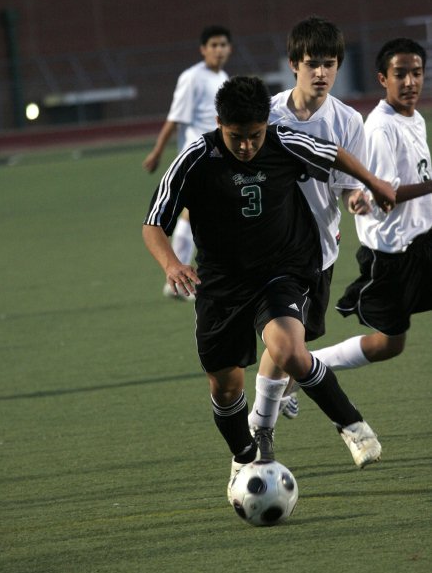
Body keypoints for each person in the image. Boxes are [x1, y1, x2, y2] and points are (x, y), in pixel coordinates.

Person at [142, 76, 396, 506]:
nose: (246, 146)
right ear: (220, 123)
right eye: (236, 137)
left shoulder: (283, 141)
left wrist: (374, 183)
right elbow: (153, 223)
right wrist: (172, 264)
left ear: (266, 125)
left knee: (290, 351)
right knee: (225, 387)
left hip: (282, 271)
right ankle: (244, 456)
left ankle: (352, 426)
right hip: (221, 285)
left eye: (255, 135)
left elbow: (334, 155)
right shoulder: (196, 157)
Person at [248, 16, 370, 433]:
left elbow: (350, 186)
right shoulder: (268, 116)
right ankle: (260, 431)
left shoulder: (349, 122)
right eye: (312, 63)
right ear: (293, 64)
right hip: (271, 250)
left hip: (319, 247)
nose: (321, 73)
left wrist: (357, 199)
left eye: (329, 64)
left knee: (293, 345)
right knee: (286, 341)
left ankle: (275, 398)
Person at [310, 38, 432, 373]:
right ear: (383, 79)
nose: (410, 82)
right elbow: (386, 196)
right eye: (400, 74)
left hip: (423, 243)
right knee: (389, 344)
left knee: (390, 343)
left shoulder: (414, 118)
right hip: (394, 255)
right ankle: (307, 366)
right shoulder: (380, 129)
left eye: (417, 73)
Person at [142, 25, 232, 300]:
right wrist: (157, 152)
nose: (219, 50)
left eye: (223, 45)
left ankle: (179, 281)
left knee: (194, 213)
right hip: (198, 155)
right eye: (213, 45)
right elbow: (175, 118)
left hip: (219, 155)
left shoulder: (224, 77)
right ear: (203, 49)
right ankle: (178, 280)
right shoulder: (191, 78)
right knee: (196, 212)